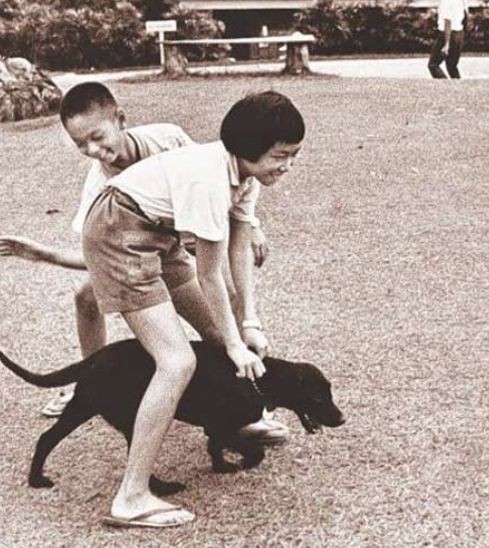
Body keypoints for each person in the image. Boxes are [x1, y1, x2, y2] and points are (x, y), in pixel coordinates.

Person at [0, 82, 282, 445]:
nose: (93, 150)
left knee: (222, 311)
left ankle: (246, 410)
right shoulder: (99, 186)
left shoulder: (167, 139)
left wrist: (250, 224)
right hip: (136, 255)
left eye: (98, 137)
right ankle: (93, 384)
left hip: (179, 242)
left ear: (120, 119)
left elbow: (222, 177)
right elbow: (100, 259)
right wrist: (45, 255)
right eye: (81, 144)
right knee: (86, 296)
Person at [75, 90, 304, 528]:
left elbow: (239, 248)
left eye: (293, 155)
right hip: (117, 233)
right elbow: (210, 274)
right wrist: (236, 345)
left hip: (153, 232)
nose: (287, 165)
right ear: (248, 148)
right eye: (280, 155)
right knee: (177, 361)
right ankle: (131, 498)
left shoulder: (246, 178)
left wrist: (248, 324)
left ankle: (236, 419)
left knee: (220, 332)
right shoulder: (209, 181)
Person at [428, 0, 469, 79]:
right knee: (452, 66)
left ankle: (445, 85)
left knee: (433, 64)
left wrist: (446, 44)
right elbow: (466, 16)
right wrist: (463, 34)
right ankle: (457, 86)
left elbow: (447, 21)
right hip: (459, 33)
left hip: (448, 34)